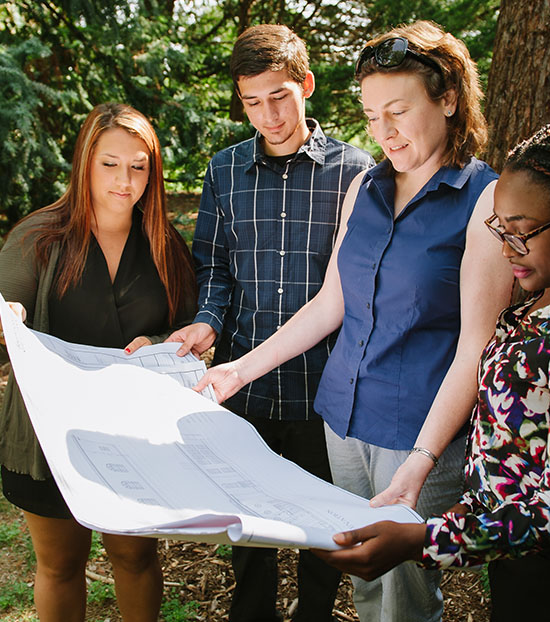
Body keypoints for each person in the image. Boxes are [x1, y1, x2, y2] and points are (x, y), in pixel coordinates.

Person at [195, 21, 513, 622]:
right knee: (367, 584)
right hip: (340, 420)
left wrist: (420, 462)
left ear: (448, 99)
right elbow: (329, 304)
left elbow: (477, 346)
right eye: (371, 115)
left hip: (415, 433)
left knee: (401, 597)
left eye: (398, 110)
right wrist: (238, 370)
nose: (384, 131)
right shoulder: (364, 186)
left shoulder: (484, 200)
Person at [314, 121, 550, 622]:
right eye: (501, 229)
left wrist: (423, 540)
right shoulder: (544, 300)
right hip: (520, 555)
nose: (507, 250)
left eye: (524, 232)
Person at [163, 24, 375, 622]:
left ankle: (314, 613)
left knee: (323, 525)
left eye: (279, 97)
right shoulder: (224, 170)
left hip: (322, 389)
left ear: (305, 85)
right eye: (252, 102)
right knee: (247, 524)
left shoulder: (356, 171)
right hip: (242, 383)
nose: (269, 116)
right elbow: (216, 266)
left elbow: (354, 289)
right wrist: (206, 321)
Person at [0, 103, 196, 622]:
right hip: (49, 432)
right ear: (84, 163)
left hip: (135, 429)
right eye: (110, 164)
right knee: (60, 564)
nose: (125, 180)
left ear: (153, 170)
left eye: (138, 166)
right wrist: (4, 328)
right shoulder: (40, 236)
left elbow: (192, 328)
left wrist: (160, 340)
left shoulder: (165, 244)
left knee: (135, 555)